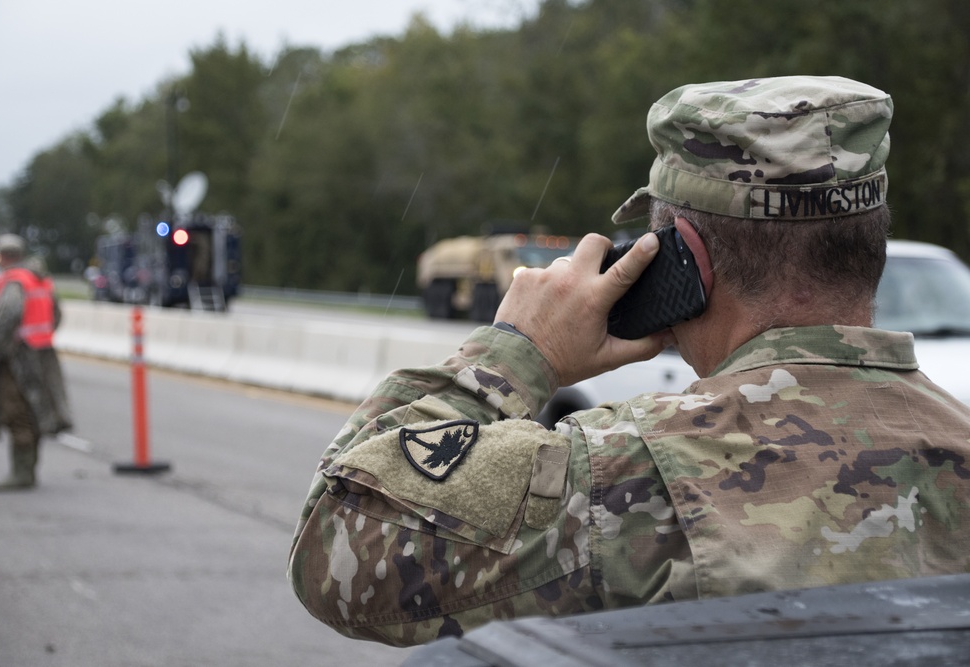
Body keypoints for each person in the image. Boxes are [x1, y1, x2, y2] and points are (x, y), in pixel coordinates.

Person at [287, 76, 970, 646]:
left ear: (685, 264)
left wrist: (517, 353)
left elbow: (335, 542)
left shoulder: (622, 475)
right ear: (867, 246)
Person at [0, 234, 72, 491]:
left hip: (17, 357)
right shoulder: (40, 278)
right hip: (42, 353)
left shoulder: (14, 280)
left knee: (17, 413)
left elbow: (8, 314)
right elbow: (57, 314)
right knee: (35, 409)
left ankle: (22, 472)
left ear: (2, 256)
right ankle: (28, 469)